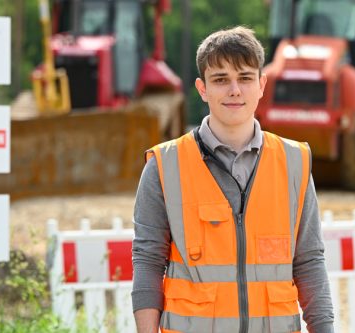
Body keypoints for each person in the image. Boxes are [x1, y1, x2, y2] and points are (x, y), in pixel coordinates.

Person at [131, 26, 334, 333]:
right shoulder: (164, 166)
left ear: (262, 84)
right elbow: (147, 262)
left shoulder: (294, 163)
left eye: (245, 78)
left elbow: (308, 262)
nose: (234, 90)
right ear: (202, 88)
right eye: (221, 79)